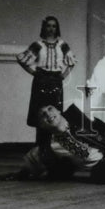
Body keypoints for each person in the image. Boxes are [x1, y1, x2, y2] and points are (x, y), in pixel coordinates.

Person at [16, 15, 76, 148]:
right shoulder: (38, 45)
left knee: (55, 116)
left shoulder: (62, 45)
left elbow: (71, 62)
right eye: (48, 26)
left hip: (56, 81)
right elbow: (21, 59)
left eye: (54, 26)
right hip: (41, 81)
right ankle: (41, 149)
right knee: (41, 115)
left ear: (57, 28)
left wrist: (63, 75)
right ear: (44, 27)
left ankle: (54, 149)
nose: (51, 29)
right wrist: (34, 73)